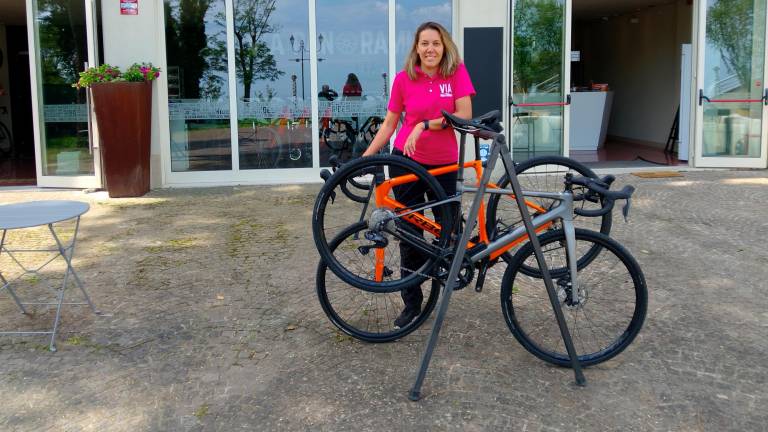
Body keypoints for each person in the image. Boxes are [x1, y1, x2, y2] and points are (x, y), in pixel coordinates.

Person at [362, 21, 475, 328]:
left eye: (435, 43)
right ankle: (412, 303)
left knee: (448, 227)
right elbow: (389, 124)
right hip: (406, 163)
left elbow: (465, 115)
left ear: (444, 47)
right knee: (410, 236)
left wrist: (426, 124)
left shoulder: (455, 74)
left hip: (445, 165)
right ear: (416, 48)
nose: (430, 49)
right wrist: (364, 158)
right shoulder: (403, 80)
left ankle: (441, 274)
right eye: (424, 43)